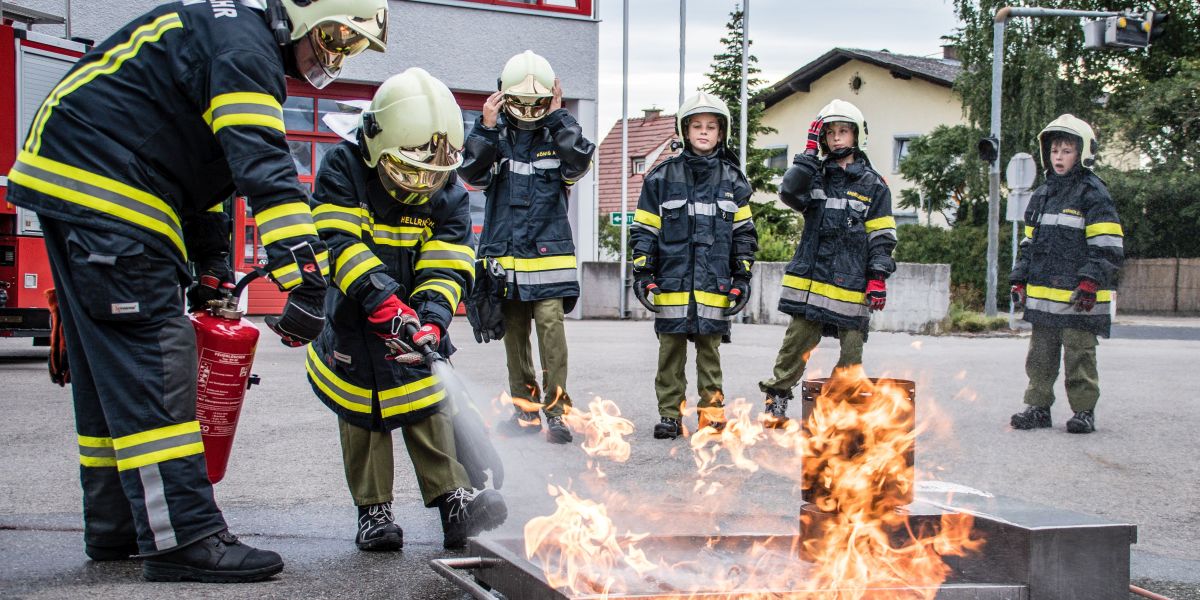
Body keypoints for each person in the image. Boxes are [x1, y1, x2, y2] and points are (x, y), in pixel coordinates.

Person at [4, 0, 387, 583]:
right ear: (302, 12)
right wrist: (306, 282)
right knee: (156, 361)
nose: (334, 56)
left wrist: (209, 266)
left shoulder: (226, 34)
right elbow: (265, 166)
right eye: (335, 37)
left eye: (351, 49)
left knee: (111, 374)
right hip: (112, 197)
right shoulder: (245, 50)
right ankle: (185, 536)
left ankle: (119, 528)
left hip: (86, 189)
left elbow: (209, 178)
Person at [307, 68, 507, 551]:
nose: (421, 186)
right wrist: (386, 304)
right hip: (353, 318)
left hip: (411, 317)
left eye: (431, 177)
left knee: (426, 402)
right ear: (378, 145)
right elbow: (340, 245)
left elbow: (446, 264)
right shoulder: (343, 167)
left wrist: (432, 319)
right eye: (409, 172)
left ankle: (453, 500)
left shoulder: (449, 192)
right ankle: (373, 512)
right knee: (363, 413)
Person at [458, 50, 595, 444]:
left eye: (538, 102)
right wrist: (484, 126)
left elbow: (580, 161)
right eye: (521, 101)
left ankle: (556, 413)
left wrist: (558, 116)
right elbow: (470, 171)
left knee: (550, 327)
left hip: (548, 258)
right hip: (506, 260)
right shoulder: (495, 137)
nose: (528, 108)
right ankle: (526, 412)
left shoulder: (558, 135)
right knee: (514, 337)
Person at [757, 99, 897, 426]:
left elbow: (882, 236)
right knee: (795, 346)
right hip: (810, 283)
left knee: (851, 355)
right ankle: (776, 397)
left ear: (857, 135)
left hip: (851, 285)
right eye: (830, 133)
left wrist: (878, 277)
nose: (836, 139)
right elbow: (789, 192)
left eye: (843, 132)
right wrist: (807, 155)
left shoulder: (875, 185)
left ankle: (834, 408)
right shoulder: (814, 175)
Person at [629, 92, 758, 440]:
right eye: (697, 126)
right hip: (672, 284)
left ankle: (712, 415)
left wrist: (742, 277)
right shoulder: (660, 178)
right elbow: (643, 231)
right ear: (685, 130)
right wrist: (643, 272)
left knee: (710, 353)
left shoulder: (733, 181)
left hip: (713, 285)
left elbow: (744, 235)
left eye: (711, 127)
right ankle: (670, 416)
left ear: (722, 133)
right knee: (670, 352)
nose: (704, 132)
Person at [1008, 115, 1123, 434]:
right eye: (1055, 150)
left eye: (1067, 150)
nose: (1059, 157)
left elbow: (1108, 245)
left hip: (1079, 297)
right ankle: (1038, 407)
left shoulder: (1094, 193)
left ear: (1083, 153)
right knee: (1040, 357)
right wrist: (1019, 278)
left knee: (1079, 356)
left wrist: (1090, 280)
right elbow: (1028, 243)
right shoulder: (1042, 195)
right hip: (1045, 298)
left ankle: (1084, 411)